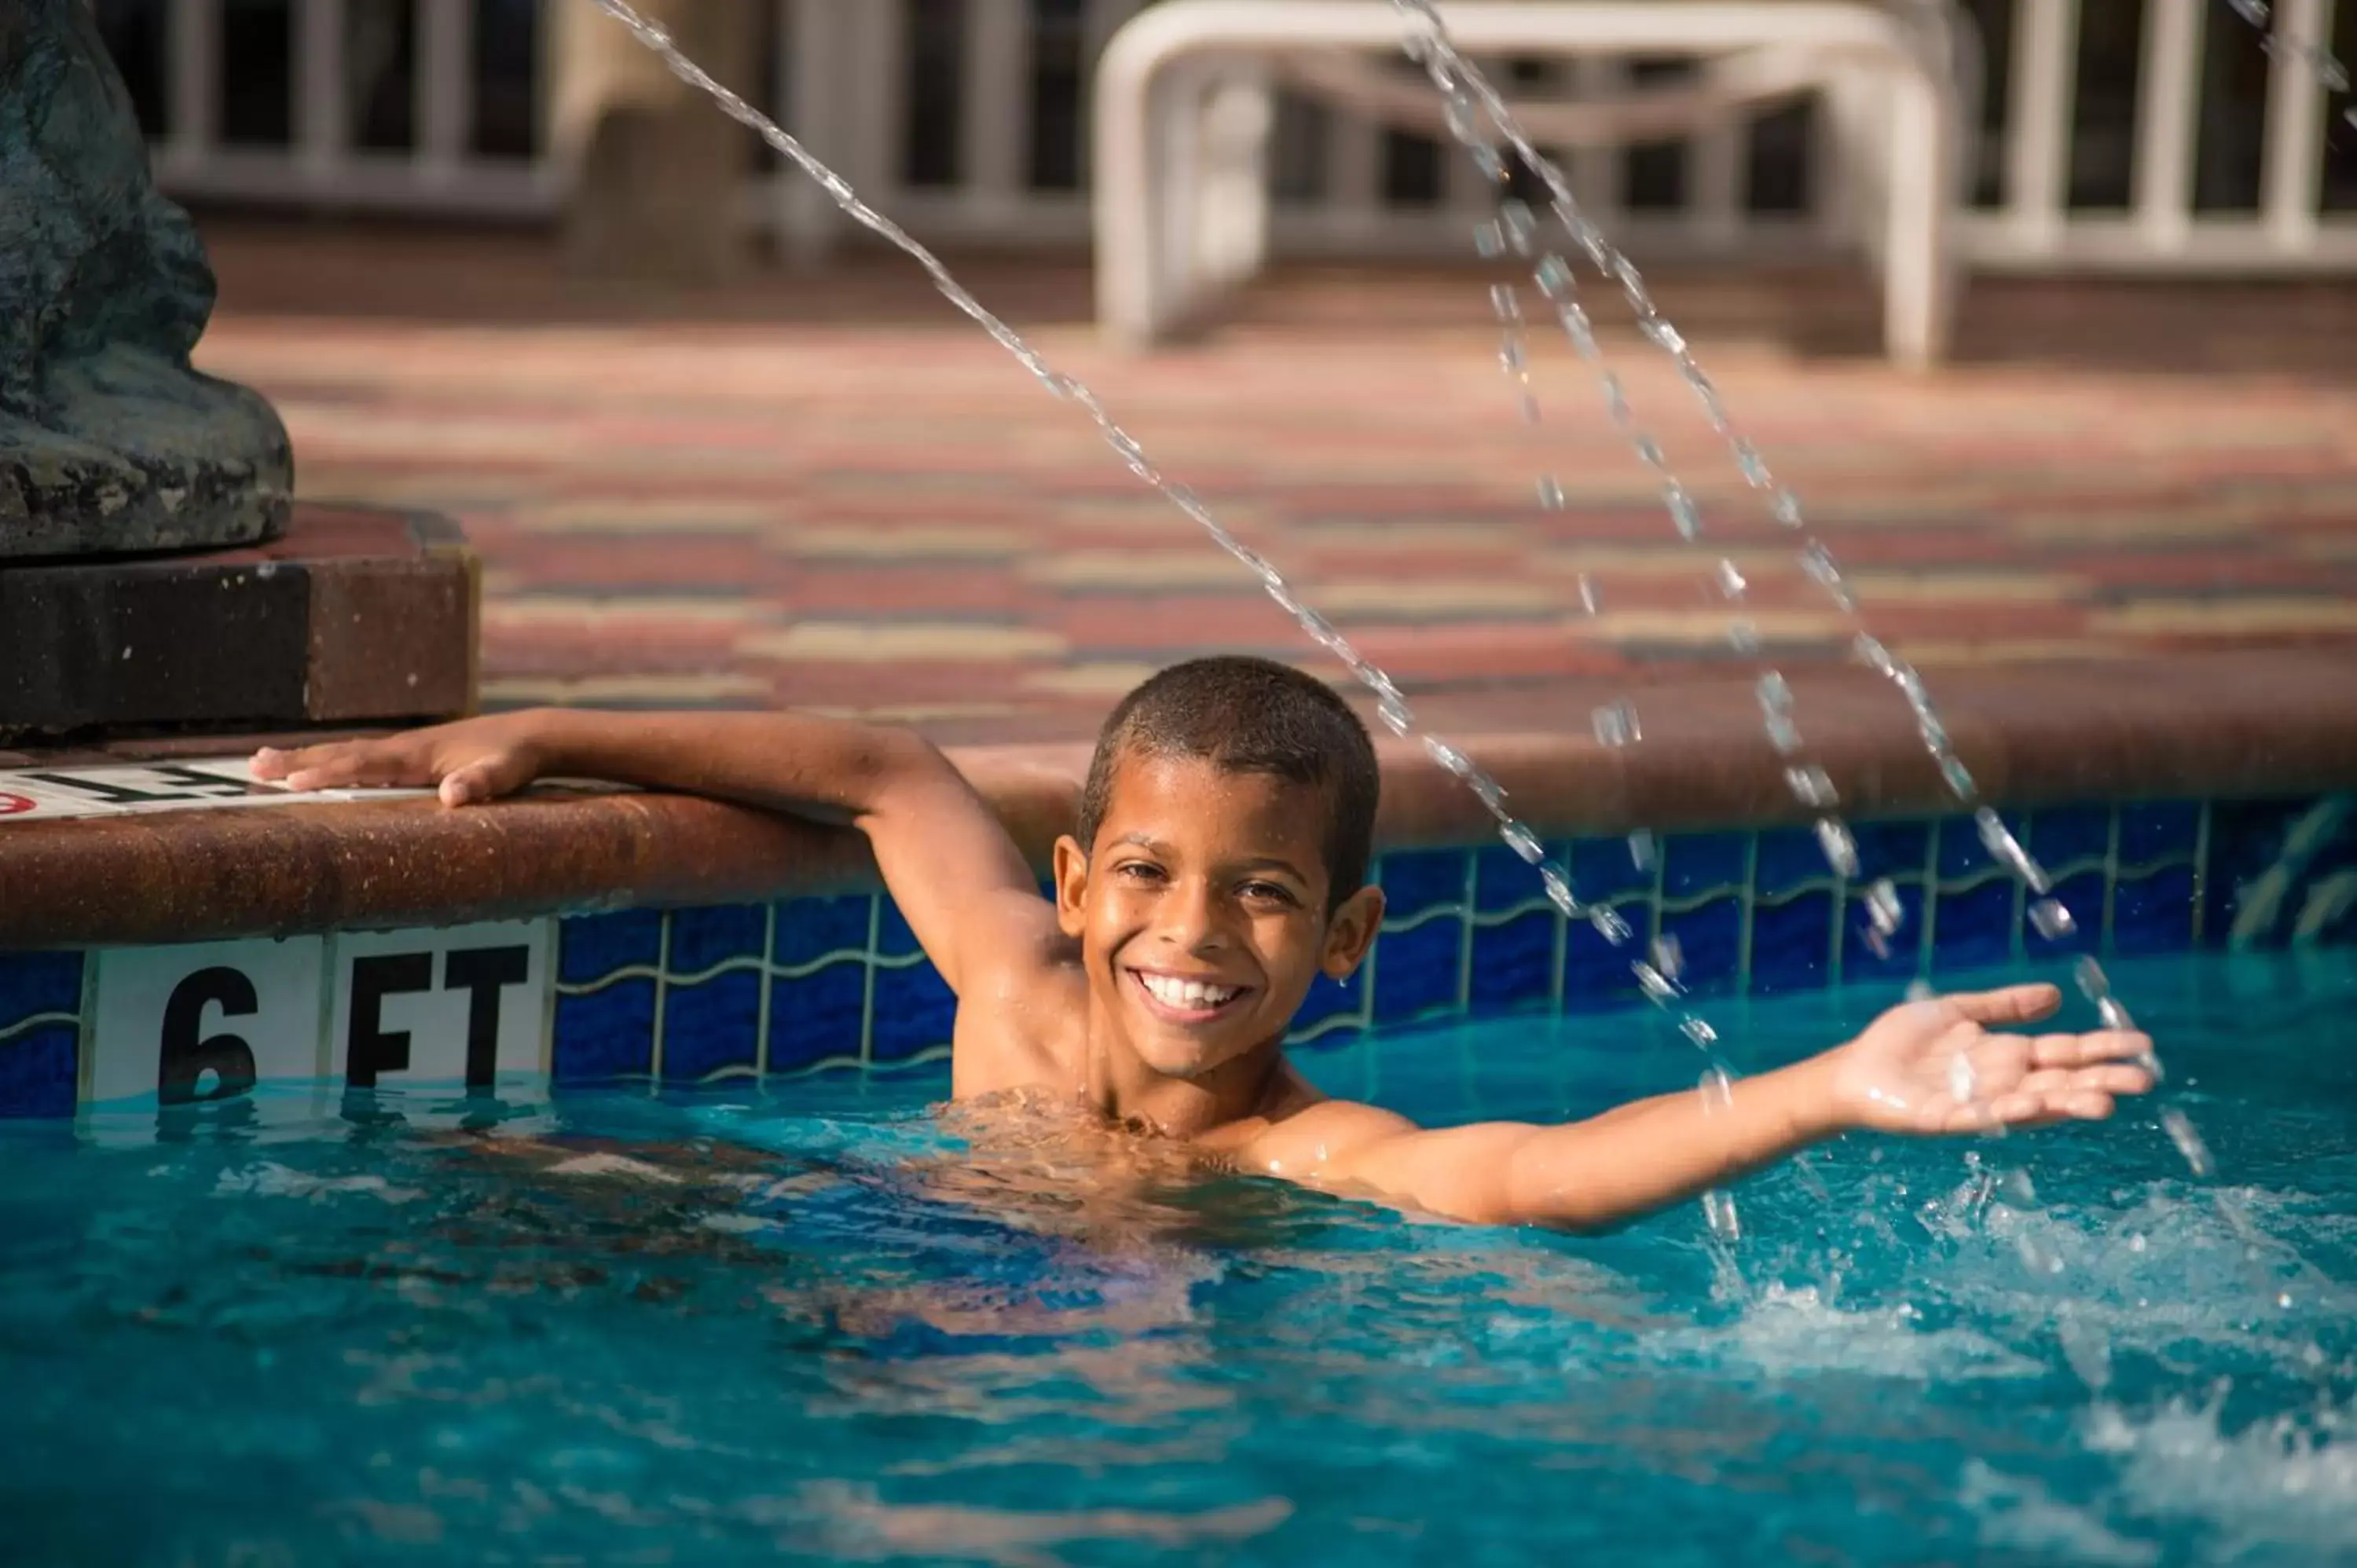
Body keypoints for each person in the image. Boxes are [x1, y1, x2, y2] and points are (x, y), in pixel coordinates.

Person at [253, 656, 2154, 1233]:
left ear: (1346, 940)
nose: (1191, 933)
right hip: (861, 1245)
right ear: (1074, 880)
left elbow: (1530, 1172)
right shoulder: (1014, 991)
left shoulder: (1293, 1152)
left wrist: (1832, 1083)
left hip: (1099, 1334)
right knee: (518, 1194)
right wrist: (543, 735)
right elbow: (884, 766)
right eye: (1150, 878)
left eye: (1263, 893)